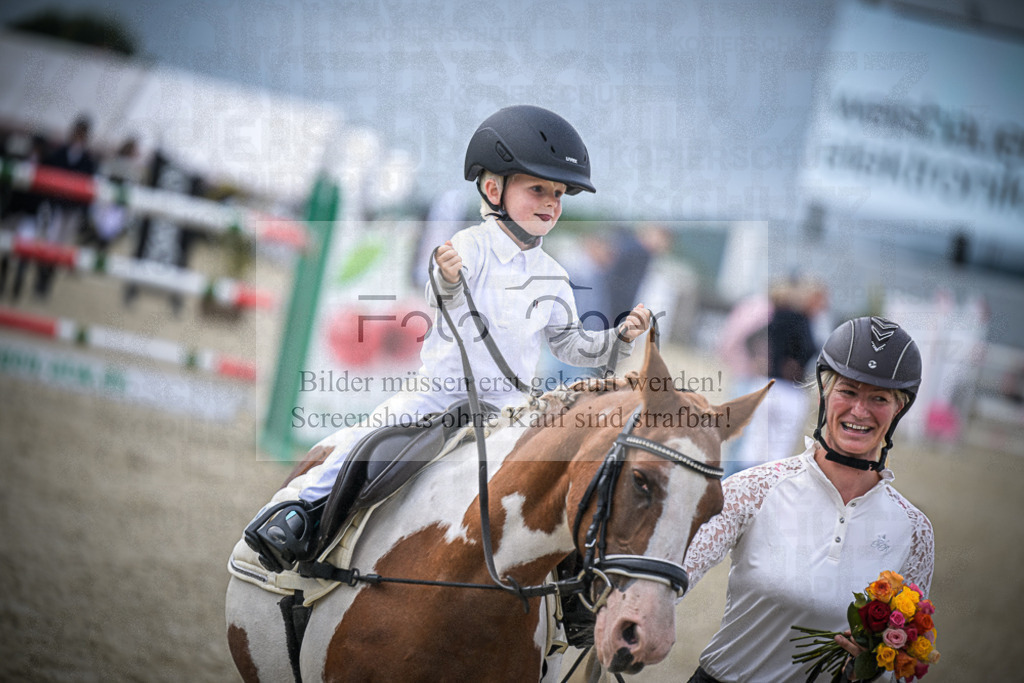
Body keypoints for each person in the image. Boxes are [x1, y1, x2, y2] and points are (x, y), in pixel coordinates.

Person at [246, 105, 652, 571]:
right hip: (442, 396)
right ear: (494, 189)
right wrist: (448, 278)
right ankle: (301, 513)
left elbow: (570, 346)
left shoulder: (555, 276)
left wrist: (619, 338)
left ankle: (570, 597)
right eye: (538, 188)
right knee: (375, 437)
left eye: (559, 194)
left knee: (566, 485)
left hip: (513, 410)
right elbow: (442, 302)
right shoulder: (466, 248)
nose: (550, 202)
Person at [683, 316, 935, 683]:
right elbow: (674, 576)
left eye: (878, 398)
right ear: (823, 393)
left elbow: (904, 665)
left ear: (898, 409)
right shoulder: (755, 488)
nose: (860, 411)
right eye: (847, 391)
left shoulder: (914, 532)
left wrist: (870, 668)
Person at [725, 277, 828, 476]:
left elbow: (752, 338)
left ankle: (733, 487)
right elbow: (809, 349)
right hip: (785, 389)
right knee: (773, 454)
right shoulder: (799, 320)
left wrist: (761, 360)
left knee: (751, 448)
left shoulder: (777, 316)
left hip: (766, 384)